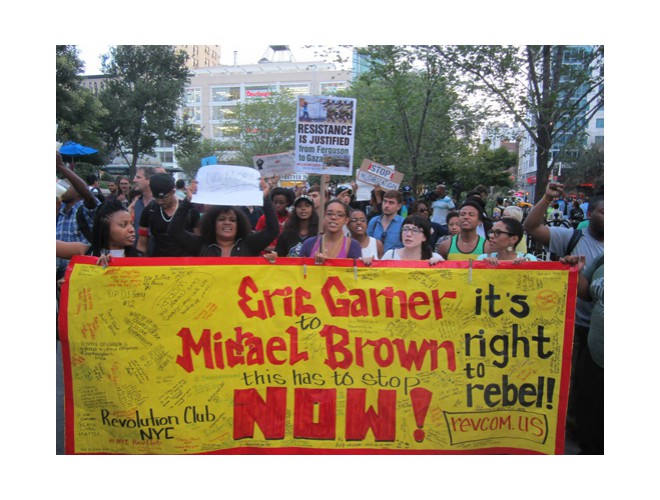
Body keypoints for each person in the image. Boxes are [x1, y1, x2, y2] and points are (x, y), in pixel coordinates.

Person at [523, 182, 604, 437]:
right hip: (573, 325)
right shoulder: (572, 237)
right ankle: (569, 429)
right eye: (605, 212)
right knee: (571, 383)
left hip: (600, 332)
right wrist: (546, 198)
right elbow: (531, 227)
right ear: (589, 214)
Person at [560, 253, 604, 455]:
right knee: (589, 413)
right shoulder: (604, 260)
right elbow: (587, 294)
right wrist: (577, 273)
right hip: (595, 353)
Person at [168, 178, 279, 257]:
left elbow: (272, 230)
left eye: (232, 220)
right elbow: (174, 231)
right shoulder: (201, 245)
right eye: (221, 219)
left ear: (239, 225)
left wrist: (266, 199)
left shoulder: (249, 244)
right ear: (212, 224)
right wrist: (188, 201)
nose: (227, 222)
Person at [56, 152, 101, 280]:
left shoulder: (85, 210)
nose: (61, 188)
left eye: (66, 185)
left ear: (78, 192)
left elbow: (89, 197)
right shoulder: (59, 211)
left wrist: (61, 166)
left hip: (82, 273)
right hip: (60, 275)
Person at [56, 199, 139, 262]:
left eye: (131, 224)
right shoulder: (86, 251)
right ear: (105, 227)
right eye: (123, 225)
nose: (131, 229)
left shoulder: (140, 259)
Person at [137, 173, 199, 257]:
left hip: (185, 264)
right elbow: (142, 244)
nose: (160, 202)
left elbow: (199, 239)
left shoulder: (190, 210)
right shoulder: (149, 210)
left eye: (164, 197)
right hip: (159, 264)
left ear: (173, 191)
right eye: (156, 198)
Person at [131, 165, 166, 241]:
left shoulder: (162, 204)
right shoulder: (137, 204)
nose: (134, 180)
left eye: (138, 177)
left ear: (149, 180)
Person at [255, 186, 294, 253]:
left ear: (288, 203)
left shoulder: (292, 218)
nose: (277, 205)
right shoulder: (264, 218)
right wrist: (268, 248)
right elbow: (256, 239)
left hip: (284, 256)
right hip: (266, 256)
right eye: (275, 202)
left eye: (281, 202)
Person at [367, 189, 405, 253]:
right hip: (375, 261)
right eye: (385, 201)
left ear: (398, 206)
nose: (386, 205)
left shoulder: (403, 223)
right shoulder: (374, 221)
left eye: (391, 203)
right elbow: (367, 244)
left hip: (395, 261)